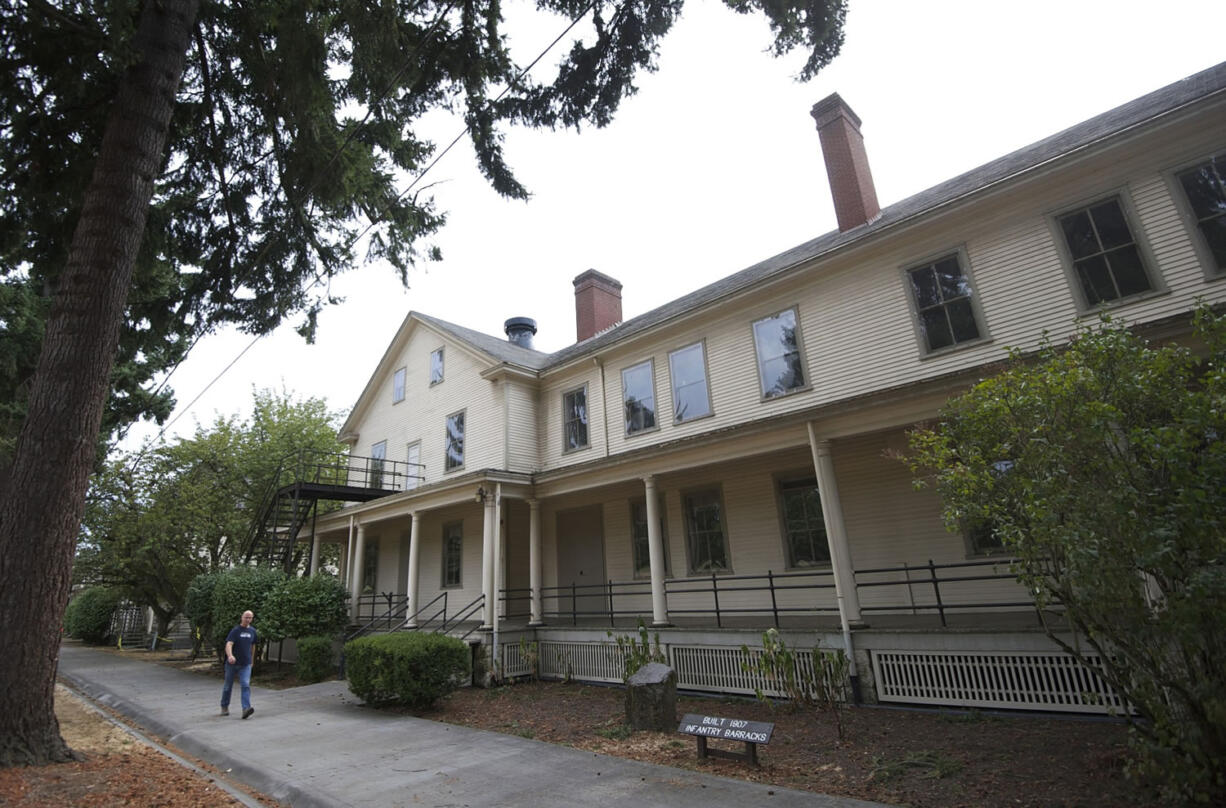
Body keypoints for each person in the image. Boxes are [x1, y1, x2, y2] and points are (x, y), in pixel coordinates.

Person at [219, 610, 257, 719]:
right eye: (246, 617)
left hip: (246, 664)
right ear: (242, 617)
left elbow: (253, 646)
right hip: (232, 664)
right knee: (228, 686)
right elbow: (229, 644)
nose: (248, 619)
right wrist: (230, 655)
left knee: (245, 685)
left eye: (250, 618)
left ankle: (246, 709)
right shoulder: (236, 631)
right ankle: (224, 706)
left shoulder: (253, 631)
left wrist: (252, 660)